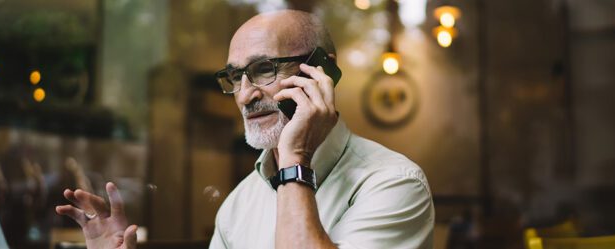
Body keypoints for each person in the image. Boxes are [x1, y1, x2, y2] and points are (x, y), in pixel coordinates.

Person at [56, 10, 435, 249]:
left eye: (264, 69)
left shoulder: (395, 183)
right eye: (235, 77)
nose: (245, 96)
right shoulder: (240, 202)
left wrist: (295, 159)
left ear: (320, 71)